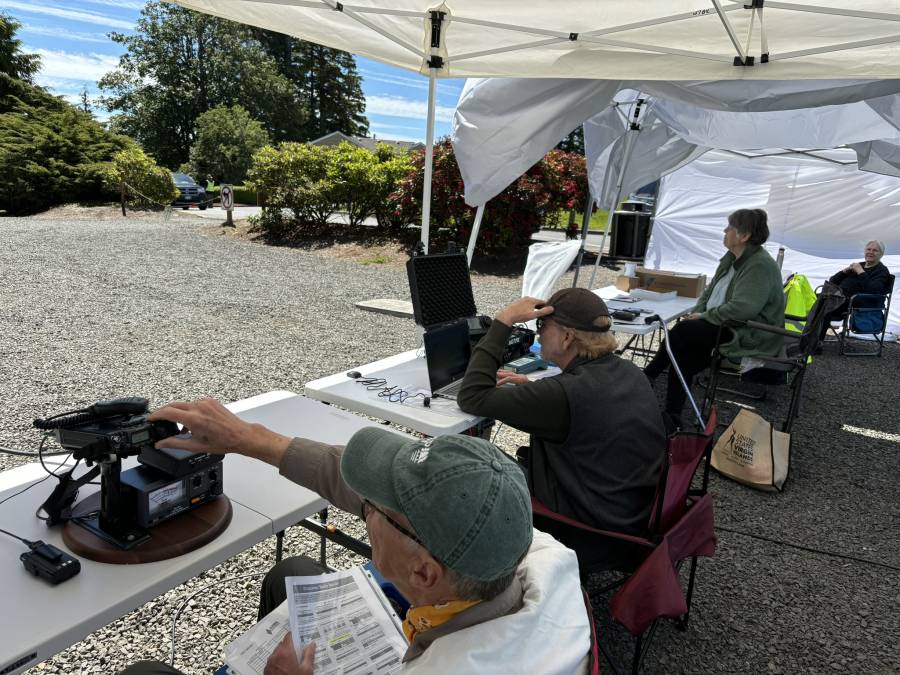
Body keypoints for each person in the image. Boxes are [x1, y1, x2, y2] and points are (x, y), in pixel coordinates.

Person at [120, 399, 591, 675]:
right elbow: (400, 498)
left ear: (424, 572)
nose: (363, 509)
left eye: (375, 511)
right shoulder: (529, 549)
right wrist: (251, 439)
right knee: (294, 571)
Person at [456, 287, 666, 570]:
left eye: (542, 326)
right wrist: (535, 393)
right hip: (629, 518)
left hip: (586, 532)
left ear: (567, 337)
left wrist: (504, 320)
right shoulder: (629, 372)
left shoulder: (563, 395)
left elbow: (471, 396)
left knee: (467, 454)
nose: (538, 334)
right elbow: (586, 412)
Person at [643, 208, 785, 428]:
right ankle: (673, 416)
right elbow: (708, 293)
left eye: (730, 228)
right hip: (725, 324)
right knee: (684, 355)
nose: (725, 230)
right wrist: (698, 313)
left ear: (744, 236)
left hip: (748, 330)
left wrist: (705, 316)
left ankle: (649, 376)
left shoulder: (759, 265)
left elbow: (743, 310)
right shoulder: (731, 258)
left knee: (682, 332)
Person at [820, 240, 891, 341]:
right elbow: (832, 281)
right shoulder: (859, 265)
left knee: (825, 305)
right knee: (818, 300)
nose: (870, 252)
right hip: (839, 298)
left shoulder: (881, 271)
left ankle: (816, 342)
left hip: (856, 303)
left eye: (875, 250)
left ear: (881, 254)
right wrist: (844, 272)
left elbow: (873, 290)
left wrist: (860, 272)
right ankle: (809, 338)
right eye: (868, 249)